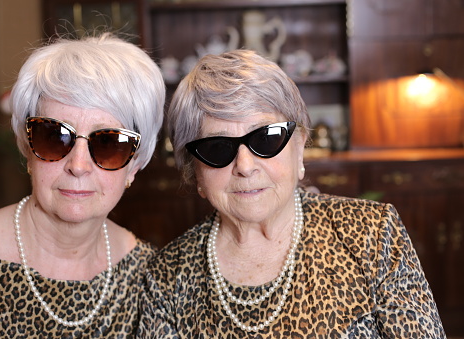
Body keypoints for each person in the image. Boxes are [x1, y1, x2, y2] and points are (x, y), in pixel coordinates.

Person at [138, 50, 446, 338]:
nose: (245, 166)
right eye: (217, 147)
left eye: (266, 138)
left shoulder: (371, 233)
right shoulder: (167, 276)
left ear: (299, 148)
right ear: (196, 174)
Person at [0, 32, 165, 337]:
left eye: (108, 143)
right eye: (54, 137)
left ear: (135, 163)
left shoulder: (152, 277)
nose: (78, 166)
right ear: (28, 149)